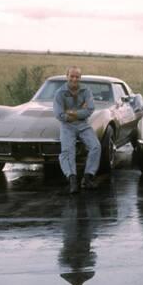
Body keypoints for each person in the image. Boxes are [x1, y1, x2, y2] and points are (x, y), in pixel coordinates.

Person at [53, 66, 101, 194]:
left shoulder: (86, 91)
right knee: (67, 151)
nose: (74, 79)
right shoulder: (60, 93)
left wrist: (72, 112)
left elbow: (90, 110)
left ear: (80, 77)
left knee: (96, 146)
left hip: (83, 125)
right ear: (67, 76)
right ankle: (72, 180)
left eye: (77, 77)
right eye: (72, 76)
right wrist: (80, 112)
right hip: (67, 126)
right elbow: (59, 115)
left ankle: (88, 178)